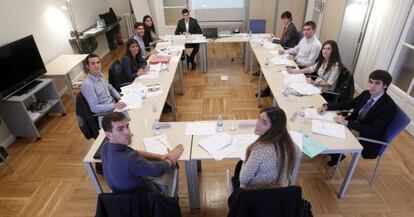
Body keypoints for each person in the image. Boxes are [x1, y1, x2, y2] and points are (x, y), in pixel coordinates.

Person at [317, 70, 397, 166]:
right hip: (355, 124)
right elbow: (348, 104)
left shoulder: (389, 107)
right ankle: (335, 154)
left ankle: (335, 153)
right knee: (327, 123)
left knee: (333, 130)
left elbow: (373, 131)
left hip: (366, 136)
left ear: (385, 85)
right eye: (371, 82)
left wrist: (347, 123)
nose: (372, 86)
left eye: (377, 83)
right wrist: (327, 106)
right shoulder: (366, 94)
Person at [101, 112, 184, 195]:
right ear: (109, 135)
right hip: (147, 199)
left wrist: (160, 157)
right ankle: (171, 197)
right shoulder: (130, 159)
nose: (128, 132)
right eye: (120, 129)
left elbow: (134, 152)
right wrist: (171, 158)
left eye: (127, 126)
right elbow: (158, 171)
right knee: (173, 165)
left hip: (123, 198)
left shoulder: (105, 147)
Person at [236, 107, 301, 189]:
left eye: (264, 123)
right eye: (259, 118)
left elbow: (243, 180)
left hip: (255, 195)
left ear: (274, 129)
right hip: (280, 194)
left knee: (239, 166)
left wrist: (246, 159)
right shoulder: (292, 147)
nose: (257, 124)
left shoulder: (259, 150)